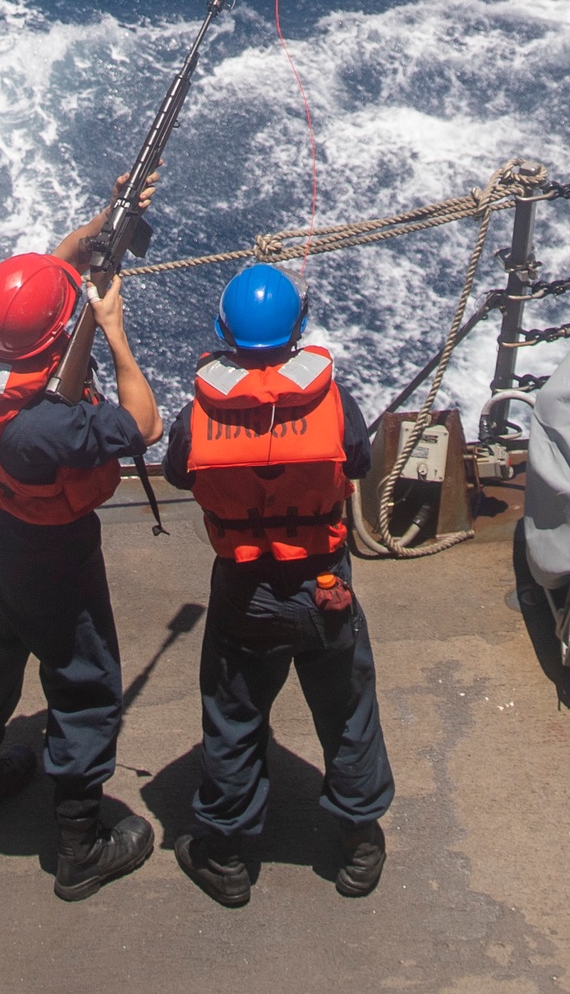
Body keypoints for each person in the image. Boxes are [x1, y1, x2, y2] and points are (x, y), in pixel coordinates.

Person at [0, 176, 163, 902]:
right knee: (82, 682)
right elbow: (143, 424)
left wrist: (102, 224)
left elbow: (37, 301)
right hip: (52, 555)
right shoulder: (49, 428)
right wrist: (112, 330)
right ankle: (81, 843)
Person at [161, 264, 394, 907]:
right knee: (346, 710)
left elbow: (179, 472)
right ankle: (359, 847)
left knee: (234, 716)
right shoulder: (336, 403)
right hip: (322, 585)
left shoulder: (196, 415)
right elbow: (360, 458)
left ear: (222, 332)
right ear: (297, 331)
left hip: (244, 588)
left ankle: (229, 859)